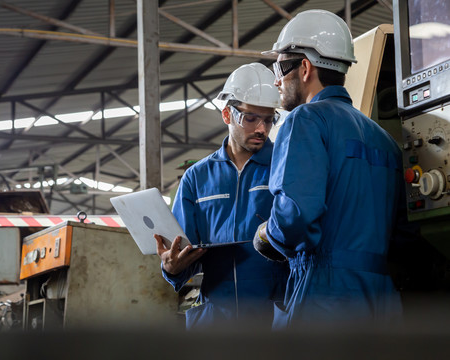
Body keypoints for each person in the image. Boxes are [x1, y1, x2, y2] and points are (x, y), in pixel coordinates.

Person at [255, 9, 404, 329]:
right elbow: (402, 235)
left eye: (280, 66)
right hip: (384, 305)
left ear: (305, 68)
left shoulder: (304, 121)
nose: (277, 79)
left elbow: (295, 218)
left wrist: (267, 233)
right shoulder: (386, 141)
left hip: (325, 301)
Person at [154, 63, 289, 330]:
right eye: (251, 118)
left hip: (274, 319)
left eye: (269, 119)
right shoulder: (197, 178)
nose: (262, 128)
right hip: (216, 323)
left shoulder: (285, 165)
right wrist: (172, 268)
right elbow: (184, 252)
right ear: (227, 115)